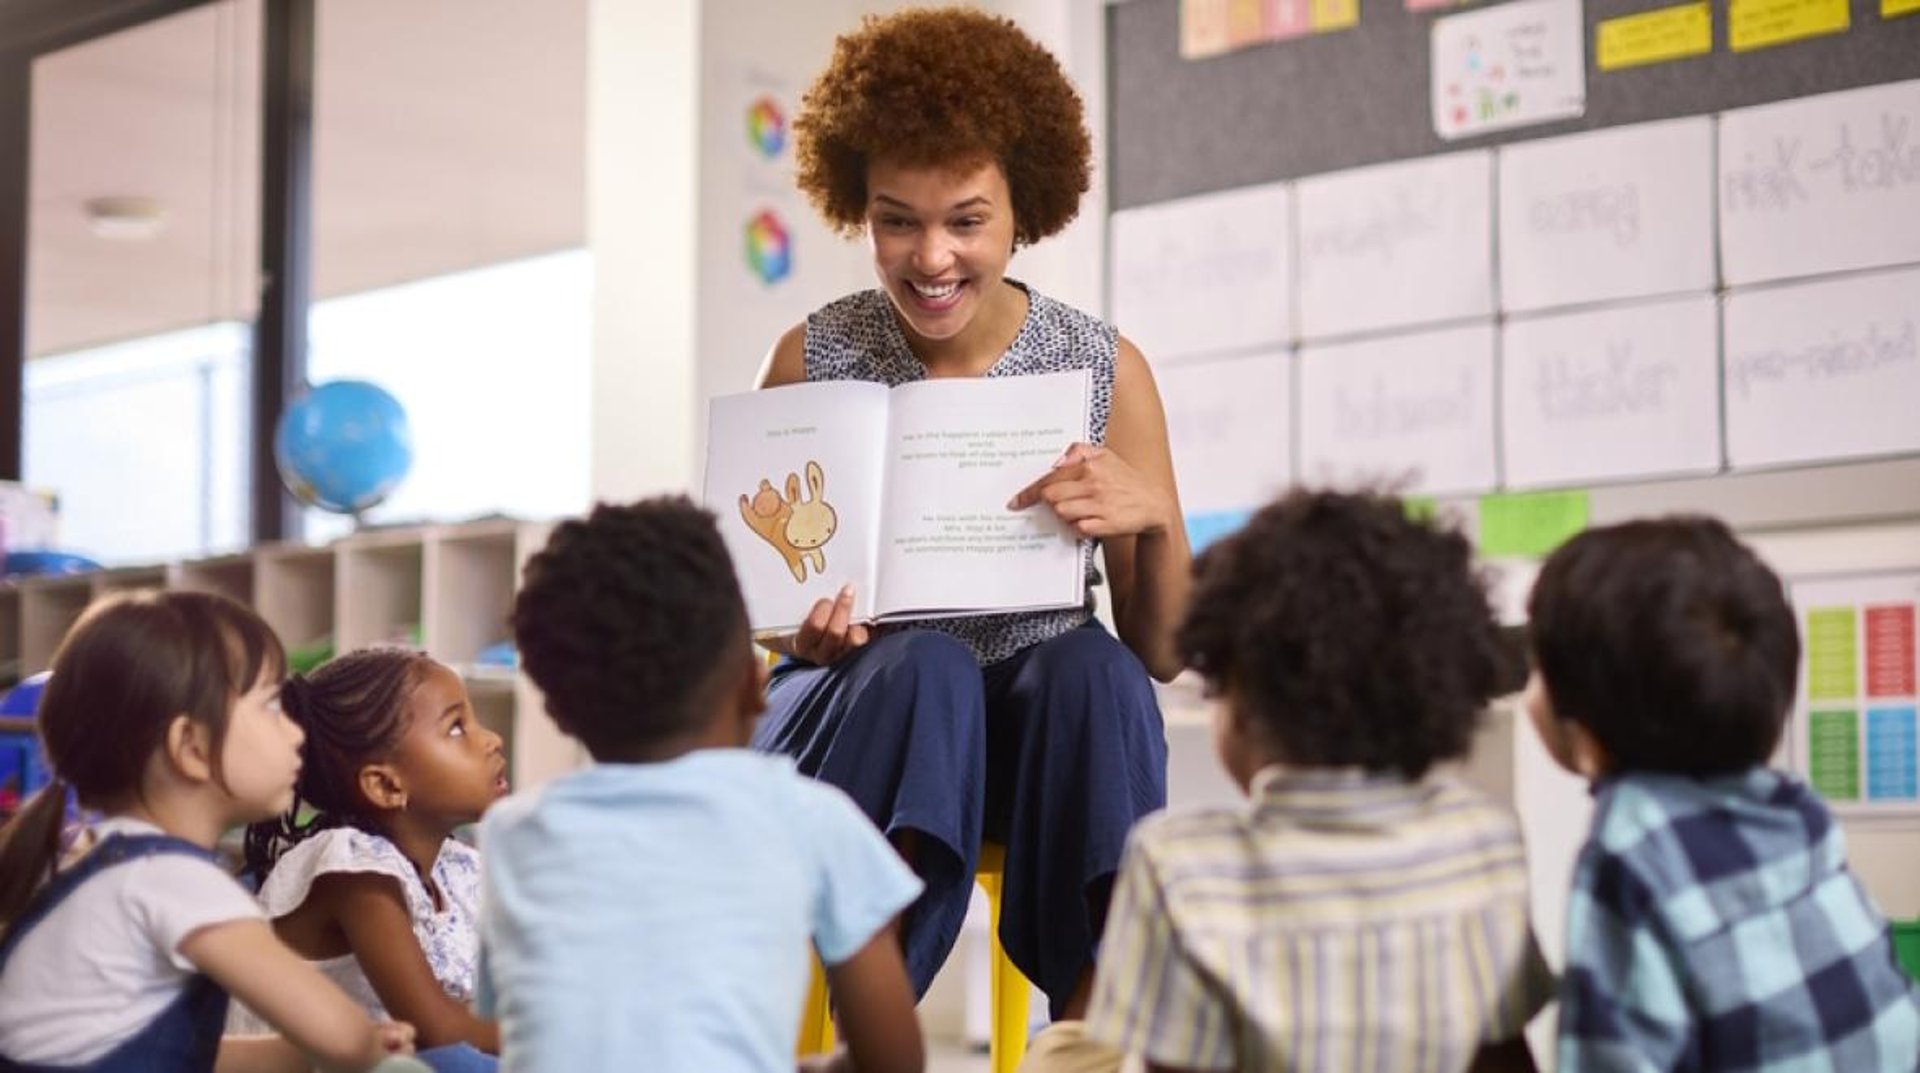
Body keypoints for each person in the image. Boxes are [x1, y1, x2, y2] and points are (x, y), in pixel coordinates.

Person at [752, 6, 1189, 1019]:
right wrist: (808, 637)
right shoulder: (808, 357)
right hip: (863, 722)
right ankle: (878, 1025)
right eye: (896, 218)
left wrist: (1154, 518)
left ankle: (1095, 1022)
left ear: (1022, 211)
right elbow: (767, 621)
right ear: (859, 207)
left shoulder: (1102, 367)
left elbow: (1163, 650)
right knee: (928, 666)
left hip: (1034, 740)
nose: (931, 256)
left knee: (1096, 667)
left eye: (967, 219)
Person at [1026, 490, 1553, 1073]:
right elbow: (1504, 1056)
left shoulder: (1182, 863)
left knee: (1061, 1053)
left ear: (1242, 707)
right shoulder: (1483, 838)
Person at [480, 498, 924, 1073]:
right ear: (753, 684)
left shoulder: (513, 834)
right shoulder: (809, 818)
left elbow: (518, 1031)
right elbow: (892, 1061)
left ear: (559, 713)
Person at [1524, 517, 1920, 1071]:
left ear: (1587, 741)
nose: (1528, 690)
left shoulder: (1632, 850)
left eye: (1538, 670)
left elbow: (1611, 1056)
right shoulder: (1797, 814)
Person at [0, 590, 418, 1072]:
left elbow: (185, 1056)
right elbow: (341, 1036)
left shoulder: (106, 863)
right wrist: (367, 1044)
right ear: (192, 746)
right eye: (271, 707)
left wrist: (293, 1055)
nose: (296, 732)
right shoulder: (177, 881)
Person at [238, 648, 508, 1072]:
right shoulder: (351, 871)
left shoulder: (456, 866)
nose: (492, 739)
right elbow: (435, 1028)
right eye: (457, 728)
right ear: (384, 784)